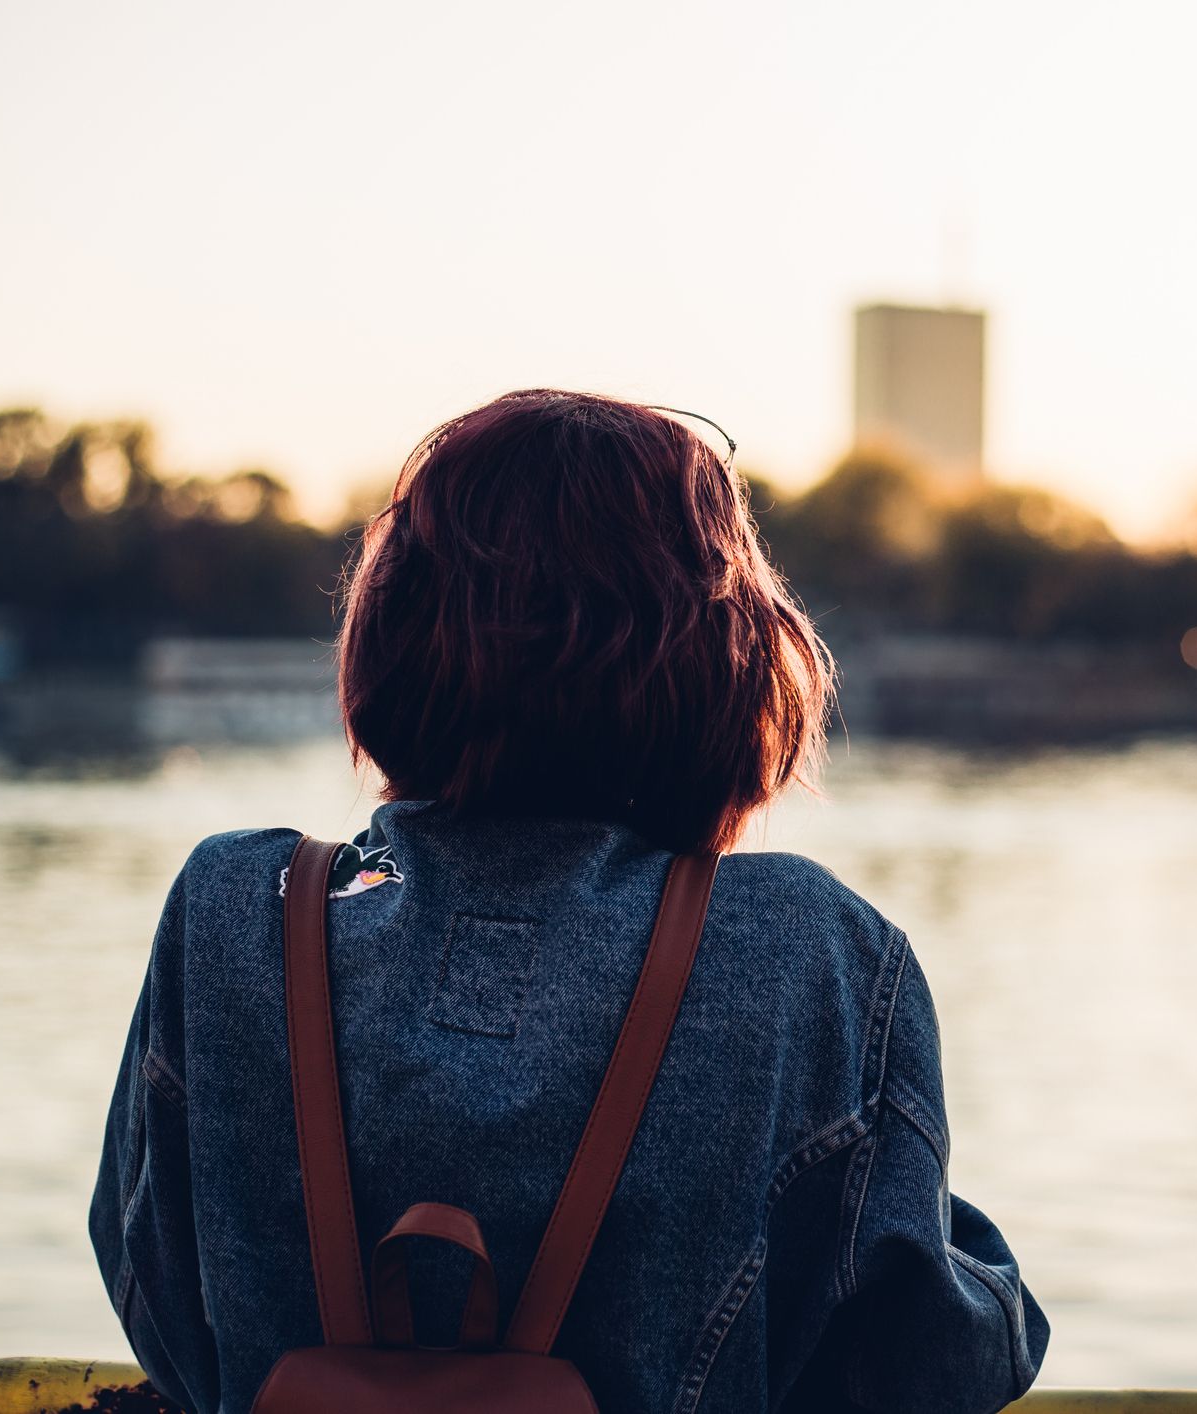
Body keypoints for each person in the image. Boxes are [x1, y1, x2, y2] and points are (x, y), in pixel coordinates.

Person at [89, 389, 1049, 1412]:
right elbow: (925, 1366)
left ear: (392, 627)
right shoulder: (803, 945)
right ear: (725, 654)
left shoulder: (237, 908)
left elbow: (152, 1291)